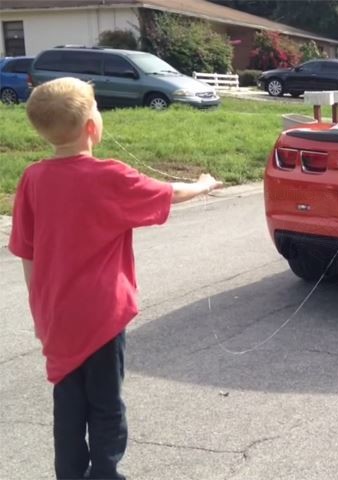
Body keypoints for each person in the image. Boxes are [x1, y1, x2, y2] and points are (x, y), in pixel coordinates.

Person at [8, 77, 221, 480]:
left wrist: (40, 313)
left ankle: (70, 473)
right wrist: (202, 185)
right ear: (92, 127)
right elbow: (168, 192)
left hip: (57, 316)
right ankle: (106, 472)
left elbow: (27, 252)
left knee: (68, 403)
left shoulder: (32, 179)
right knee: (105, 402)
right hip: (103, 315)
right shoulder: (109, 176)